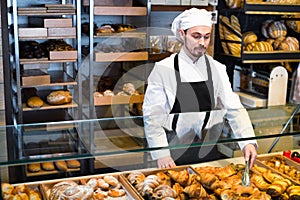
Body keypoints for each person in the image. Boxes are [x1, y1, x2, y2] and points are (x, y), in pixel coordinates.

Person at [142, 8, 258, 169]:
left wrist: (247, 142)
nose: (202, 43)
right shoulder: (163, 69)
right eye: (196, 36)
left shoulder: (217, 68)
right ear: (182, 34)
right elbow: (152, 116)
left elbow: (234, 108)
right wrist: (161, 154)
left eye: (207, 37)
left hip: (207, 148)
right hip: (172, 150)